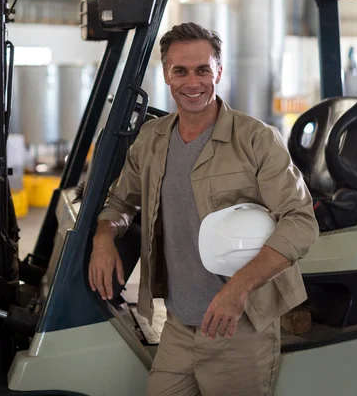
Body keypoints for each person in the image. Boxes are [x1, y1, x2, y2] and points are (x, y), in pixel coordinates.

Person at [89, 22, 319, 396]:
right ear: (166, 74)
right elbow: (120, 201)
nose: (191, 82)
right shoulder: (152, 138)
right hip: (178, 325)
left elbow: (301, 222)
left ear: (219, 72)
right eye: (180, 70)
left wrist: (238, 289)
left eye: (202, 70)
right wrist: (104, 235)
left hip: (240, 325)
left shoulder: (256, 139)